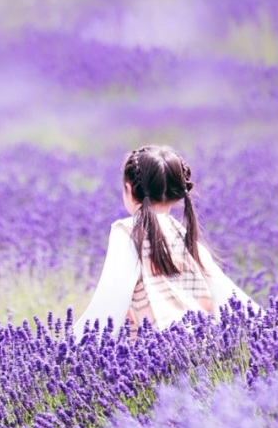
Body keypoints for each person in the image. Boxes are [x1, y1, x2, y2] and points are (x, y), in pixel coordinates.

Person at [74, 145, 258, 338]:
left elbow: (109, 304)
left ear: (129, 189)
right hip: (205, 348)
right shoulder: (184, 237)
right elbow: (230, 298)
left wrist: (67, 350)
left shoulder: (128, 233)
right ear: (177, 193)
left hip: (160, 355)